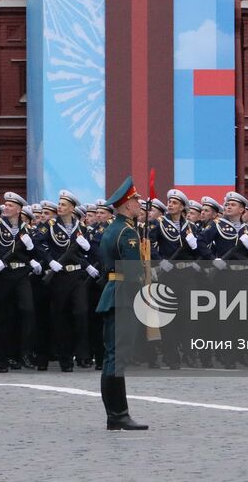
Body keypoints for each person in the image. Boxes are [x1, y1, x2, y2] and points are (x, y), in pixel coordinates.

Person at [95, 176, 148, 431]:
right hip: (124, 295)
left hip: (113, 290)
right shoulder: (127, 233)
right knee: (117, 358)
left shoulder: (111, 229)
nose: (139, 204)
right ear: (127, 205)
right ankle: (119, 414)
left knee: (112, 357)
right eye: (136, 200)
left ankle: (115, 415)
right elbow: (135, 269)